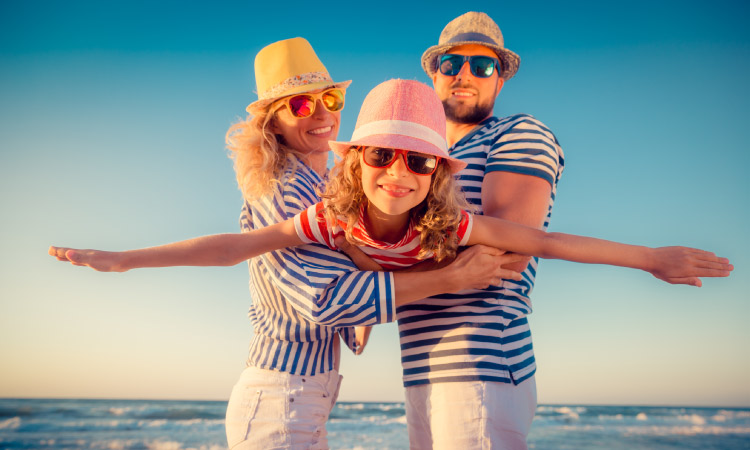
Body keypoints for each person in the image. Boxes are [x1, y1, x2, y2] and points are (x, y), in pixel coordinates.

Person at [49, 39, 518, 450]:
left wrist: (370, 293)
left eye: (330, 98)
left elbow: (355, 272)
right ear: (272, 123)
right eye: (298, 105)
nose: (322, 114)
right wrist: (452, 277)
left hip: (304, 397)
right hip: (280, 397)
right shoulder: (282, 186)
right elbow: (322, 297)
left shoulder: (327, 188)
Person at [49, 80, 731, 314]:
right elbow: (238, 246)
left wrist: (650, 258)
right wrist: (126, 259)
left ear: (436, 173)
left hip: (422, 277)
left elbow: (548, 241)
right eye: (380, 155)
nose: (396, 173)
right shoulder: (330, 214)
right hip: (365, 274)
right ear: (358, 161)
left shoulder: (452, 223)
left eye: (416, 161)